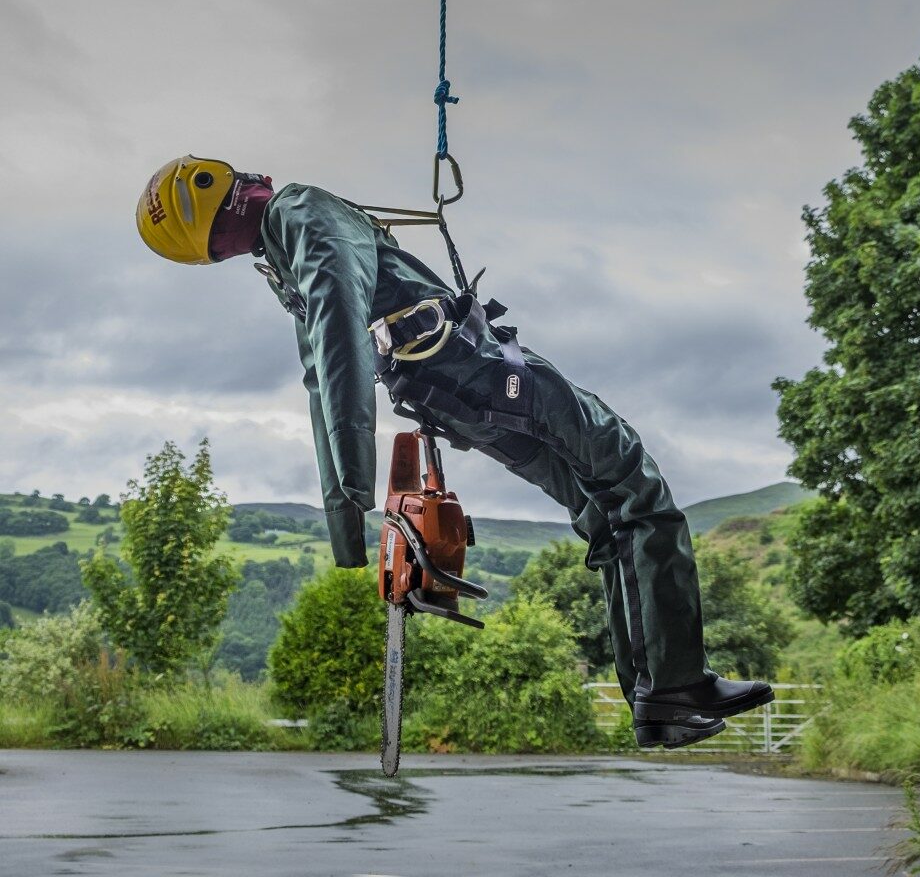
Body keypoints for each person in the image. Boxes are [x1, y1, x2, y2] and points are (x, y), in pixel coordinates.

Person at [136, 155, 774, 748]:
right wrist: (353, 503)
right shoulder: (302, 213)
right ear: (222, 184)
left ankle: (656, 697)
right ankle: (671, 685)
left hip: (450, 398)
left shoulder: (283, 260)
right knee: (634, 485)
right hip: (483, 371)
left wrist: (344, 512)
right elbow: (335, 358)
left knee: (605, 514)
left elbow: (321, 375)